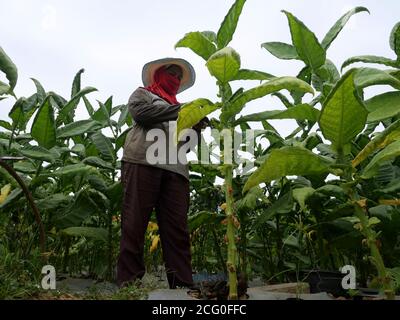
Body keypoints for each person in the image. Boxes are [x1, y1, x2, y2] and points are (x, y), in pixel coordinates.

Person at [117, 57, 207, 289]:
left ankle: (183, 285)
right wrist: (183, 111)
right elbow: (142, 115)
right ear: (158, 75)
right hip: (142, 161)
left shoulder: (182, 110)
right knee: (134, 224)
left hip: (175, 170)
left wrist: (196, 126)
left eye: (179, 76)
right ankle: (129, 284)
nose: (175, 79)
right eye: (171, 74)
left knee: (177, 230)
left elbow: (187, 145)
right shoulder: (143, 94)